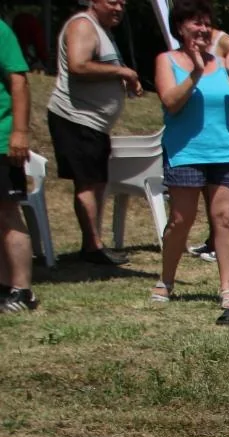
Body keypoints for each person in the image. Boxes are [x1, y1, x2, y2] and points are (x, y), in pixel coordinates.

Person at [150, 0, 229, 311]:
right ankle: (166, 280)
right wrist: (195, 73)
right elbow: (171, 102)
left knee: (226, 219)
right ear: (180, 27)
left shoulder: (223, 63)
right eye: (196, 22)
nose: (204, 28)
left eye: (207, 23)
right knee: (180, 220)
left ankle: (227, 289)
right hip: (186, 152)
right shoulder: (166, 60)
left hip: (227, 151)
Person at [46, 0, 142, 266]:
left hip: (93, 124)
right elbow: (79, 65)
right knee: (87, 182)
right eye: (112, 2)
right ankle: (92, 247)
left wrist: (122, 81)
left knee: (96, 182)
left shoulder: (102, 30)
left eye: (123, 4)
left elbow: (96, 68)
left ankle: (93, 243)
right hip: (76, 118)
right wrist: (122, 71)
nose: (119, 8)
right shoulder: (83, 25)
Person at [187, 28, 229, 265]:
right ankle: (215, 240)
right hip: (204, 125)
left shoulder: (225, 41)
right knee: (210, 187)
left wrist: (221, 83)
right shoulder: (188, 45)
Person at [0, 17, 36, 313]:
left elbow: (19, 81)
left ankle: (21, 290)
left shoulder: (1, 31)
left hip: (1, 140)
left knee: (7, 212)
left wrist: (20, 132)